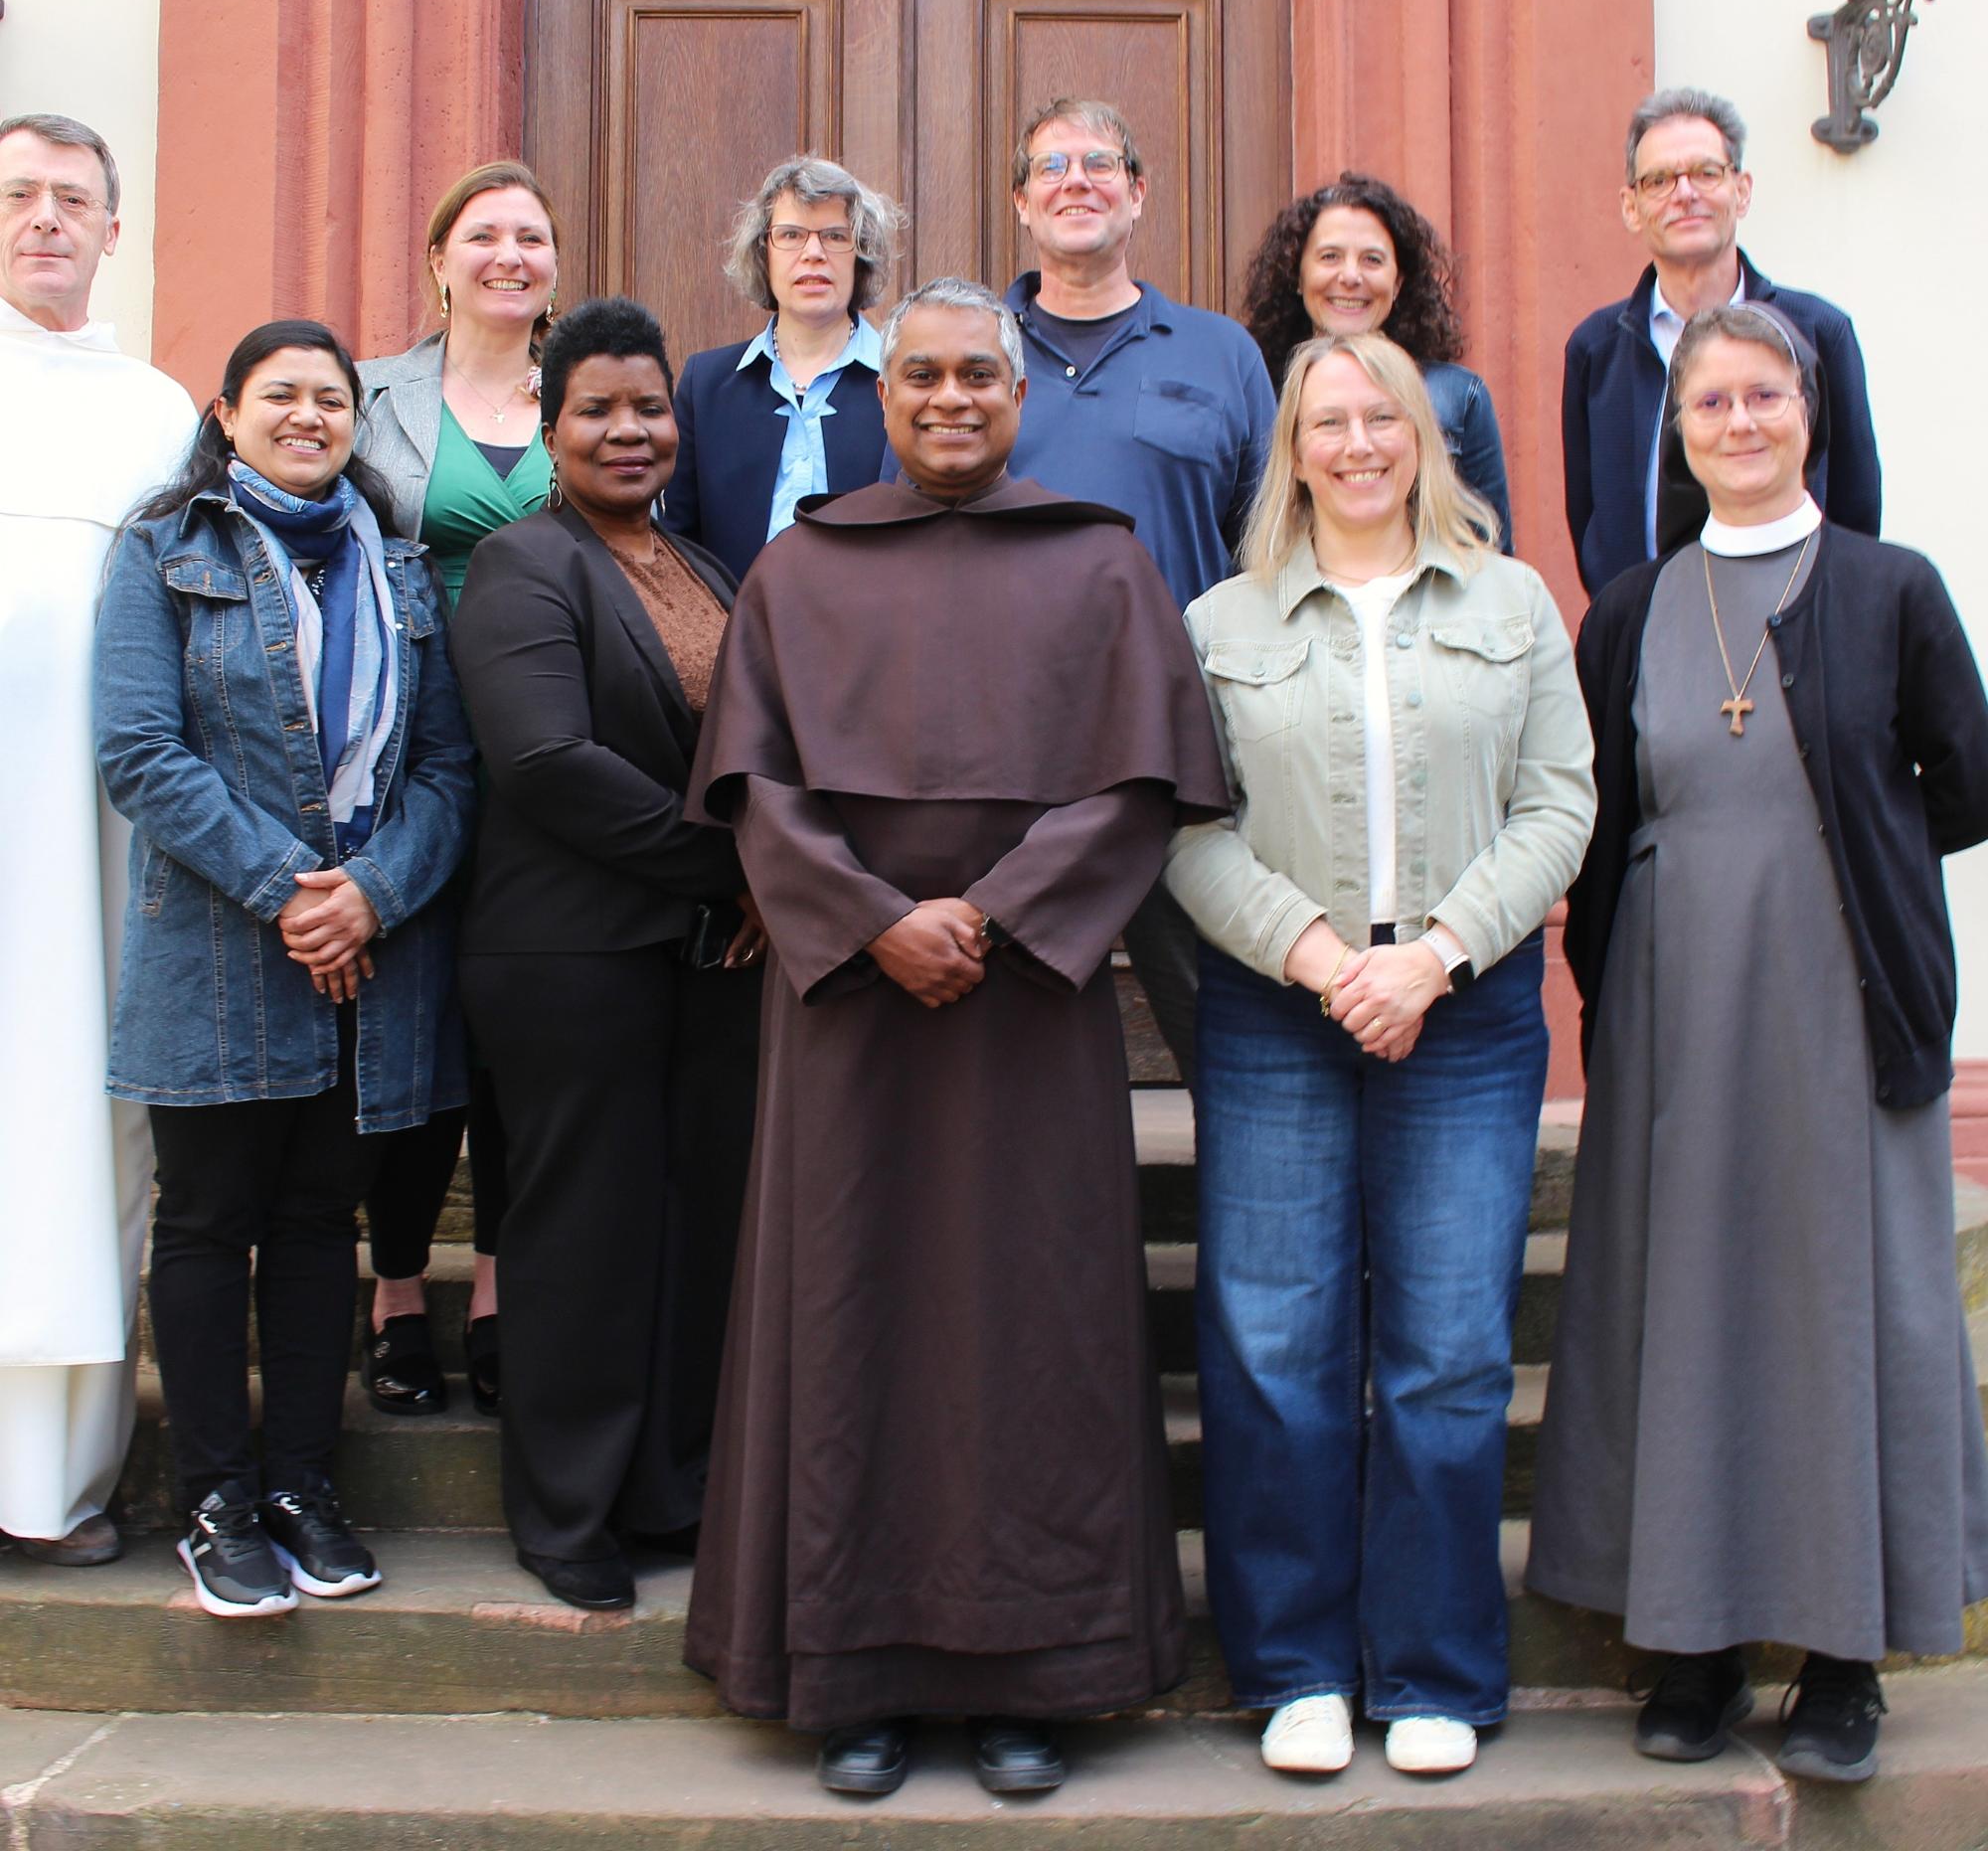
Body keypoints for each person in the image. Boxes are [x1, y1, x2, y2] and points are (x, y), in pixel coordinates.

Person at [682, 277, 1230, 1796]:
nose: (946, 401)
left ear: (1017, 393)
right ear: (884, 393)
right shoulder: (799, 574)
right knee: (850, 1315)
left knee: (1029, 1332)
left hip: (1026, 1008)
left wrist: (993, 915)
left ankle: (1029, 1680)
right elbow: (756, 791)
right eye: (918, 376)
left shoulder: (1103, 566)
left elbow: (1139, 787)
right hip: (853, 1008)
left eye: (976, 376)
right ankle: (848, 1675)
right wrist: (872, 922)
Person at [1527, 302, 1988, 1784]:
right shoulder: (1631, 609)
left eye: (1764, 397)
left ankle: (1845, 1657)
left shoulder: (1892, 587)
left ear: (1811, 414)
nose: (1737, 421)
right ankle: (1696, 1644)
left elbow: (1963, 786)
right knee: (1690, 1305)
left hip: (1845, 1001)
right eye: (1710, 401)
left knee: (1845, 1305)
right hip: (1675, 1007)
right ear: (1677, 431)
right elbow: (1596, 814)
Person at [1166, 332, 1595, 1776]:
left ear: (1423, 435)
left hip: (1463, 1014)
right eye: (1327, 422)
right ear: (1290, 449)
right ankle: (1291, 1666)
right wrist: (1321, 958)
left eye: (1380, 418)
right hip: (1280, 1012)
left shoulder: (1513, 600)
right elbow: (1181, 827)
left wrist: (1435, 956)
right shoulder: (1219, 621)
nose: (1356, 443)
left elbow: (1560, 804)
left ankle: (1432, 1671)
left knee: (1449, 1350)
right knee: (1274, 1344)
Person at [93, 319, 476, 1616]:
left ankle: (304, 1488)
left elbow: (446, 775)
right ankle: (217, 1502)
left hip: (363, 963)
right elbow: (141, 753)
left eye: (331, 398)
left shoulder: (404, 573)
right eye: (282, 396)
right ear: (228, 413)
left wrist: (368, 895)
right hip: (216, 955)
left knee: (322, 1228)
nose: (310, 415)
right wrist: (290, 893)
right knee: (207, 1227)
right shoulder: (162, 553)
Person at [449, 296, 762, 1613]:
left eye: (648, 408)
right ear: (548, 422)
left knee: (693, 1227)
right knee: (582, 1231)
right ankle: (567, 1511)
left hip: (703, 965)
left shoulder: (705, 570)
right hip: (568, 961)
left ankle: (667, 1488)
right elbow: (546, 763)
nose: (628, 430)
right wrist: (740, 868)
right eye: (598, 409)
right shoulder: (526, 565)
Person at [0, 112, 196, 1569]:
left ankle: (53, 1483)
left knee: (77, 1124)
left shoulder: (156, 410)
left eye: (74, 199)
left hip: (98, 838)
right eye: (18, 194)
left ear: (114, 232)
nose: (45, 219)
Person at [999, 96, 1276, 1089]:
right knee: (1003, 1019)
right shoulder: (970, 355)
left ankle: (1255, 1236)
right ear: (1021, 203)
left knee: (1225, 1017)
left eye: (1100, 161)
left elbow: (1270, 548)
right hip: (1007, 745)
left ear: (1137, 191)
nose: (1077, 179)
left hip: (1180, 740)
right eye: (1051, 164)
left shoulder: (1220, 354)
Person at [353, 160, 561, 1420]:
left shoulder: (583, 391)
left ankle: (493, 1287)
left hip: (546, 749)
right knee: (408, 1022)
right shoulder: (369, 394)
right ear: (438, 260)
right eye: (481, 233)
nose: (507, 253)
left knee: (515, 1029)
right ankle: (390, 1292)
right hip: (398, 752)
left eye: (530, 236)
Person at [1563, 85, 1881, 596]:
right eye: (1660, 180)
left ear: (1742, 190)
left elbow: (1856, 508)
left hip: (1794, 636)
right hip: (1648, 645)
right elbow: (1591, 522)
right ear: (1631, 206)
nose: (1684, 193)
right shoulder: (1596, 351)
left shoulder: (1819, 333)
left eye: (1706, 173)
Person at [1241, 172, 1512, 548]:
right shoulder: (1257, 395)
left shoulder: (1458, 397)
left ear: (1398, 282)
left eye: (1372, 260)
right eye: (1330, 257)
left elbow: (1492, 551)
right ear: (1298, 277)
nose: (1350, 276)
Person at [663, 155, 900, 579]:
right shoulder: (706, 387)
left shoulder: (903, 383)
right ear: (763, 254)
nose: (813, 254)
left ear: (860, 255)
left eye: (834, 235)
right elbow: (678, 549)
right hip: (735, 637)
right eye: (791, 235)